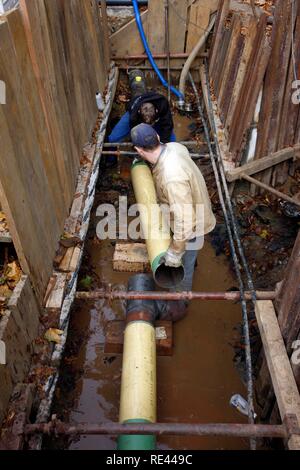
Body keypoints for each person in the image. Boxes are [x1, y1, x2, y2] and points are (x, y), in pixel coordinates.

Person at [131, 123, 216, 322]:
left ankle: (181, 304)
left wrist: (174, 254)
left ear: (138, 150)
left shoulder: (172, 178)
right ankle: (190, 261)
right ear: (158, 138)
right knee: (187, 252)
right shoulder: (175, 147)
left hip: (192, 224)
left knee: (183, 264)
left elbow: (186, 223)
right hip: (193, 207)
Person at [108, 71, 176, 144]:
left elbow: (168, 124)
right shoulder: (133, 114)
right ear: (139, 111)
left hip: (157, 119)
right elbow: (134, 129)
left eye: (151, 124)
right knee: (113, 139)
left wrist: (163, 143)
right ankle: (112, 155)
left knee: (171, 141)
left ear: (156, 111)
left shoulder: (163, 104)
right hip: (136, 118)